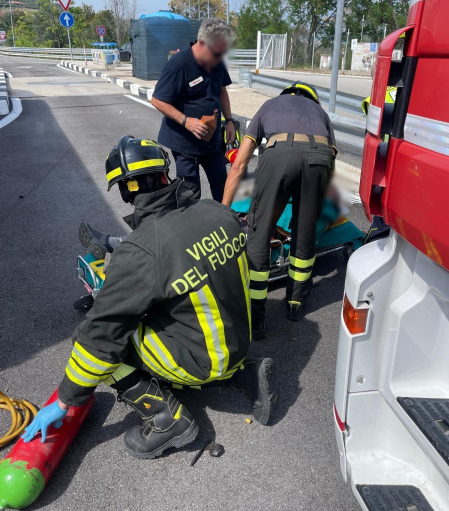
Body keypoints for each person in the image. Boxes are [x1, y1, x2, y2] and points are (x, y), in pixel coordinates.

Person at [23, 136, 277, 458]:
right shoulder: (217, 211)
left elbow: (99, 337)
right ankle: (244, 374)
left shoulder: (142, 250)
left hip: (203, 360)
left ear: (127, 190)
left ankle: (166, 419)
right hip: (240, 341)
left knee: (100, 344)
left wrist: (63, 401)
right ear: (164, 174)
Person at [222, 82, 337, 339]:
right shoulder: (321, 114)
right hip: (320, 158)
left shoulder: (269, 105)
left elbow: (239, 165)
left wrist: (222, 210)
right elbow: (330, 161)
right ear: (312, 99)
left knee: (258, 232)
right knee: (305, 232)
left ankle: (256, 319)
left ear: (286, 94)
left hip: (279, 154)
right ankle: (295, 304)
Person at [151, 18, 236, 202]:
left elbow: (222, 91)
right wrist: (186, 121)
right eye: (217, 53)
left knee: (222, 185)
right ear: (203, 43)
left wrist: (229, 121)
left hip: (211, 141)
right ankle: (195, 228)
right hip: (184, 143)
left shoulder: (217, 60)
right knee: (190, 192)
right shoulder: (178, 64)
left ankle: (226, 224)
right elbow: (157, 100)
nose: (220, 58)